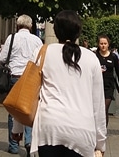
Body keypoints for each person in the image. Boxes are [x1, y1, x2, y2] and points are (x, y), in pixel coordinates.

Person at [13, 9, 106, 157]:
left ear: (56, 31)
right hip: (82, 130)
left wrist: (17, 128)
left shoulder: (42, 52)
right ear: (78, 31)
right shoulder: (91, 58)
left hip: (49, 129)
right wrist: (100, 142)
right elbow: (98, 105)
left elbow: (26, 91)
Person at [0, 15, 43, 154]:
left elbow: (2, 58)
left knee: (13, 110)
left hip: (14, 77)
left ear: (17, 25)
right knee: (29, 110)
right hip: (30, 79)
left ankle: (13, 145)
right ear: (30, 26)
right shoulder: (37, 40)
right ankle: (29, 141)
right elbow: (41, 59)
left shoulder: (11, 38)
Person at [95, 34, 119, 126]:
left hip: (109, 86)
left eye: (105, 43)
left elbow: (118, 72)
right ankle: (96, 128)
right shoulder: (95, 56)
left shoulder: (113, 57)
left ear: (108, 45)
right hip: (97, 86)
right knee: (97, 110)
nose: (103, 45)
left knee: (104, 109)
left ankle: (103, 130)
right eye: (101, 43)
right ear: (98, 44)